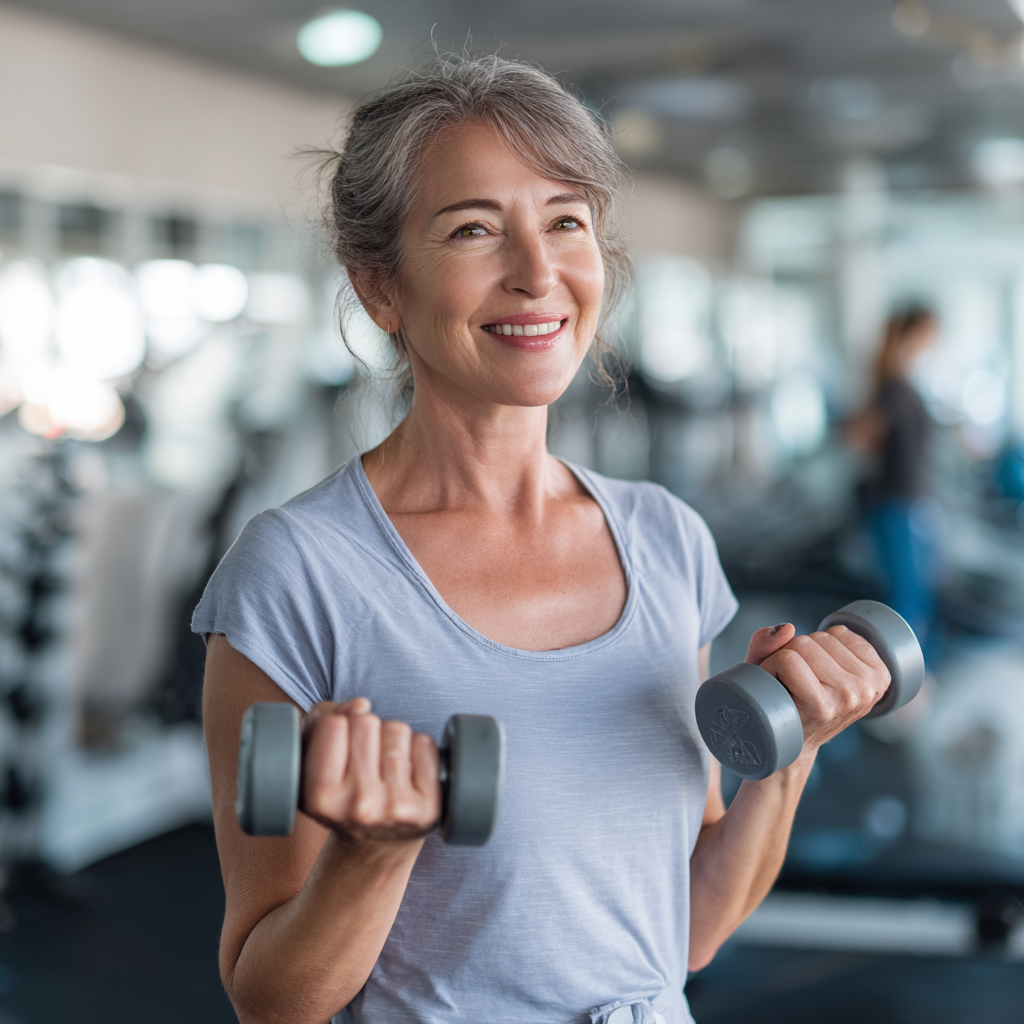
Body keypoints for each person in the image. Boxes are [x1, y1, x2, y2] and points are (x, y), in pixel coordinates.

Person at [196, 54, 889, 1024]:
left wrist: (792, 752)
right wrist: (376, 853)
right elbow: (270, 998)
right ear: (379, 285)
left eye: (565, 221)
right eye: (475, 229)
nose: (537, 273)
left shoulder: (664, 541)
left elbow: (681, 931)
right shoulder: (295, 574)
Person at [849, 306, 938, 652]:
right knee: (904, 600)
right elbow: (861, 436)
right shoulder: (894, 388)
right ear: (913, 335)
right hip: (894, 505)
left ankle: (909, 677)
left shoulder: (902, 385)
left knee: (914, 595)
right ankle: (903, 682)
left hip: (907, 502)